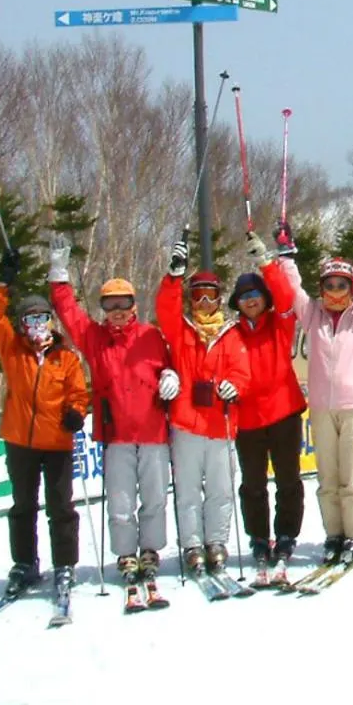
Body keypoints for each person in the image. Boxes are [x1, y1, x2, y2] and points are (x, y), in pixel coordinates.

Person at [47, 237, 177, 584]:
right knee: (120, 502)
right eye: (110, 304)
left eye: (124, 303)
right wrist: (59, 273)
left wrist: (170, 376)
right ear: (103, 307)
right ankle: (125, 553)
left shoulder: (152, 336)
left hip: (153, 433)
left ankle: (150, 549)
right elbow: (68, 312)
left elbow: (173, 365)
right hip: (116, 433)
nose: (117, 310)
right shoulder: (94, 337)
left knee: (153, 498)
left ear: (134, 305)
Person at [278, 229, 353, 564]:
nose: (334, 292)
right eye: (329, 285)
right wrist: (286, 257)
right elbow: (292, 291)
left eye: (341, 285)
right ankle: (335, 534)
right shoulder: (312, 314)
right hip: (320, 407)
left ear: (352, 287)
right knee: (327, 477)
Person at [0, 249, 89, 596]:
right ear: (21, 325)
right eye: (29, 321)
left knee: (61, 507)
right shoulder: (13, 350)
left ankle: (64, 565)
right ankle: (26, 563)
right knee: (23, 506)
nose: (36, 327)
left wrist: (76, 411)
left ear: (50, 322)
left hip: (57, 443)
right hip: (20, 443)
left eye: (42, 319)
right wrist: (3, 284)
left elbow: (78, 392)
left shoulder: (65, 357)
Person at [156, 238, 251, 574]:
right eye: (198, 295)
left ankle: (217, 541)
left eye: (211, 295)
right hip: (186, 424)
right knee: (187, 490)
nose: (205, 302)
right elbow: (164, 309)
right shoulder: (181, 330)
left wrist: (234, 386)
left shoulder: (231, 334)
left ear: (219, 298)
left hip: (221, 425)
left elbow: (242, 371)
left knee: (222, 489)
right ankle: (192, 543)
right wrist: (173, 276)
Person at [228, 231, 308, 571]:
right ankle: (259, 537)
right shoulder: (230, 333)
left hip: (284, 413)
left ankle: (287, 534)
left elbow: (287, 297)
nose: (250, 300)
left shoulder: (280, 324)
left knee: (288, 480)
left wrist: (265, 262)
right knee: (253, 485)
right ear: (237, 302)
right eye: (244, 296)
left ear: (264, 297)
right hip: (247, 421)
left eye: (255, 294)